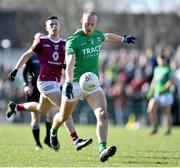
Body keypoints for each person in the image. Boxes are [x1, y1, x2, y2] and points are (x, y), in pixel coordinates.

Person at [50, 10, 136, 162]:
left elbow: (107, 36)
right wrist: (68, 81)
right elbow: (69, 63)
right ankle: (53, 130)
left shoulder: (96, 35)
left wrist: (123, 39)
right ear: (80, 20)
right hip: (75, 84)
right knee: (63, 116)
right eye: (86, 24)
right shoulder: (73, 40)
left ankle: (102, 149)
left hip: (92, 84)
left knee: (103, 114)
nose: (89, 27)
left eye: (92, 24)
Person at [6, 16, 92, 151]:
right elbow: (26, 55)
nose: (53, 26)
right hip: (45, 82)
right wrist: (15, 69)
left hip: (56, 82)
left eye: (55, 24)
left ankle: (17, 107)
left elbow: (70, 61)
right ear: (46, 28)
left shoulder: (65, 43)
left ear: (60, 26)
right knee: (64, 110)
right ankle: (76, 140)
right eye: (50, 24)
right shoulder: (41, 41)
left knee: (42, 109)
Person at [147, 54, 174, 135]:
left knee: (166, 113)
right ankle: (155, 127)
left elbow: (171, 81)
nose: (161, 61)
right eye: (159, 60)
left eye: (162, 60)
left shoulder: (168, 69)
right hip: (156, 93)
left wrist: (164, 88)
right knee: (150, 110)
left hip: (165, 94)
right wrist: (151, 89)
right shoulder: (156, 69)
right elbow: (154, 80)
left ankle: (168, 129)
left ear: (165, 60)